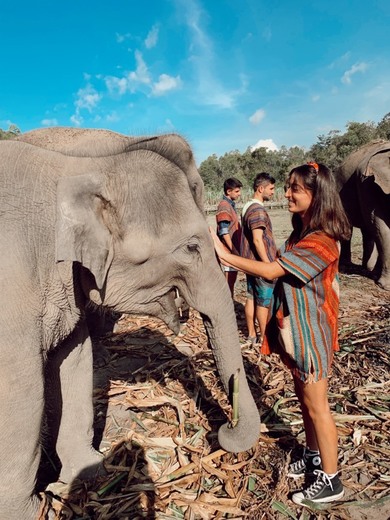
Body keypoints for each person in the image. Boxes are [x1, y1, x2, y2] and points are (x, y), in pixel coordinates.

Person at [211, 162, 351, 505]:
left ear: (316, 196)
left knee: (318, 407)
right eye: (286, 187)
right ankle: (314, 455)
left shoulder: (322, 241)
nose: (287, 194)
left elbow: (273, 270)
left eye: (295, 189)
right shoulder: (302, 234)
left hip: (313, 334)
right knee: (305, 402)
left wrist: (226, 255)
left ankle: (332, 482)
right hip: (296, 333)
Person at [241, 172, 277, 346]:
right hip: (260, 264)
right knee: (263, 301)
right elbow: (257, 239)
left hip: (250, 263)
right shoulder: (258, 210)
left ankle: (251, 334)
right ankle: (264, 338)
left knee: (251, 297)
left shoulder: (247, 207)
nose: (273, 192)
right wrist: (268, 265)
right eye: (271, 188)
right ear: (260, 188)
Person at [215, 177, 243, 297]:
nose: (239, 194)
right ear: (228, 191)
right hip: (228, 251)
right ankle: (228, 310)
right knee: (228, 284)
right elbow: (224, 231)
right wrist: (233, 250)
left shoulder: (229, 205)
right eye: (236, 191)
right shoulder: (224, 205)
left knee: (230, 282)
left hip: (231, 250)